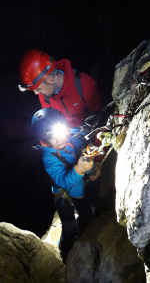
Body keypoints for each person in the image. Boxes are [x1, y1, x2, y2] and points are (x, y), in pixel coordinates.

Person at [31, 107, 101, 263]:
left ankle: (83, 235)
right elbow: (62, 180)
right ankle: (64, 248)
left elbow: (84, 150)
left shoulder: (73, 140)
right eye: (52, 137)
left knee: (86, 214)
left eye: (60, 133)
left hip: (79, 190)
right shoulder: (49, 158)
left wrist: (92, 167)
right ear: (43, 140)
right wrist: (79, 170)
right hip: (64, 197)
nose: (59, 139)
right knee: (69, 226)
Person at [20, 49, 102, 134]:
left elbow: (99, 120)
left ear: (51, 80)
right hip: (62, 135)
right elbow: (49, 121)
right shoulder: (44, 95)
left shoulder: (85, 85)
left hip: (86, 132)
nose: (36, 93)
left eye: (38, 88)